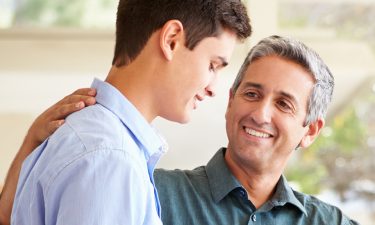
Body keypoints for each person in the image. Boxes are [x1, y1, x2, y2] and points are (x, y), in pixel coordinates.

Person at [1, 35, 359, 225]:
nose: (261, 114)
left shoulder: (328, 222)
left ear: (310, 130)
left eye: (284, 104)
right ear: (231, 101)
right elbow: (13, 217)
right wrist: (32, 145)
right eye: (252, 94)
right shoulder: (147, 186)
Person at [3, 0, 251, 224]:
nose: (213, 89)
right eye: (212, 65)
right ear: (171, 39)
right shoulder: (109, 158)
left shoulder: (96, 142)